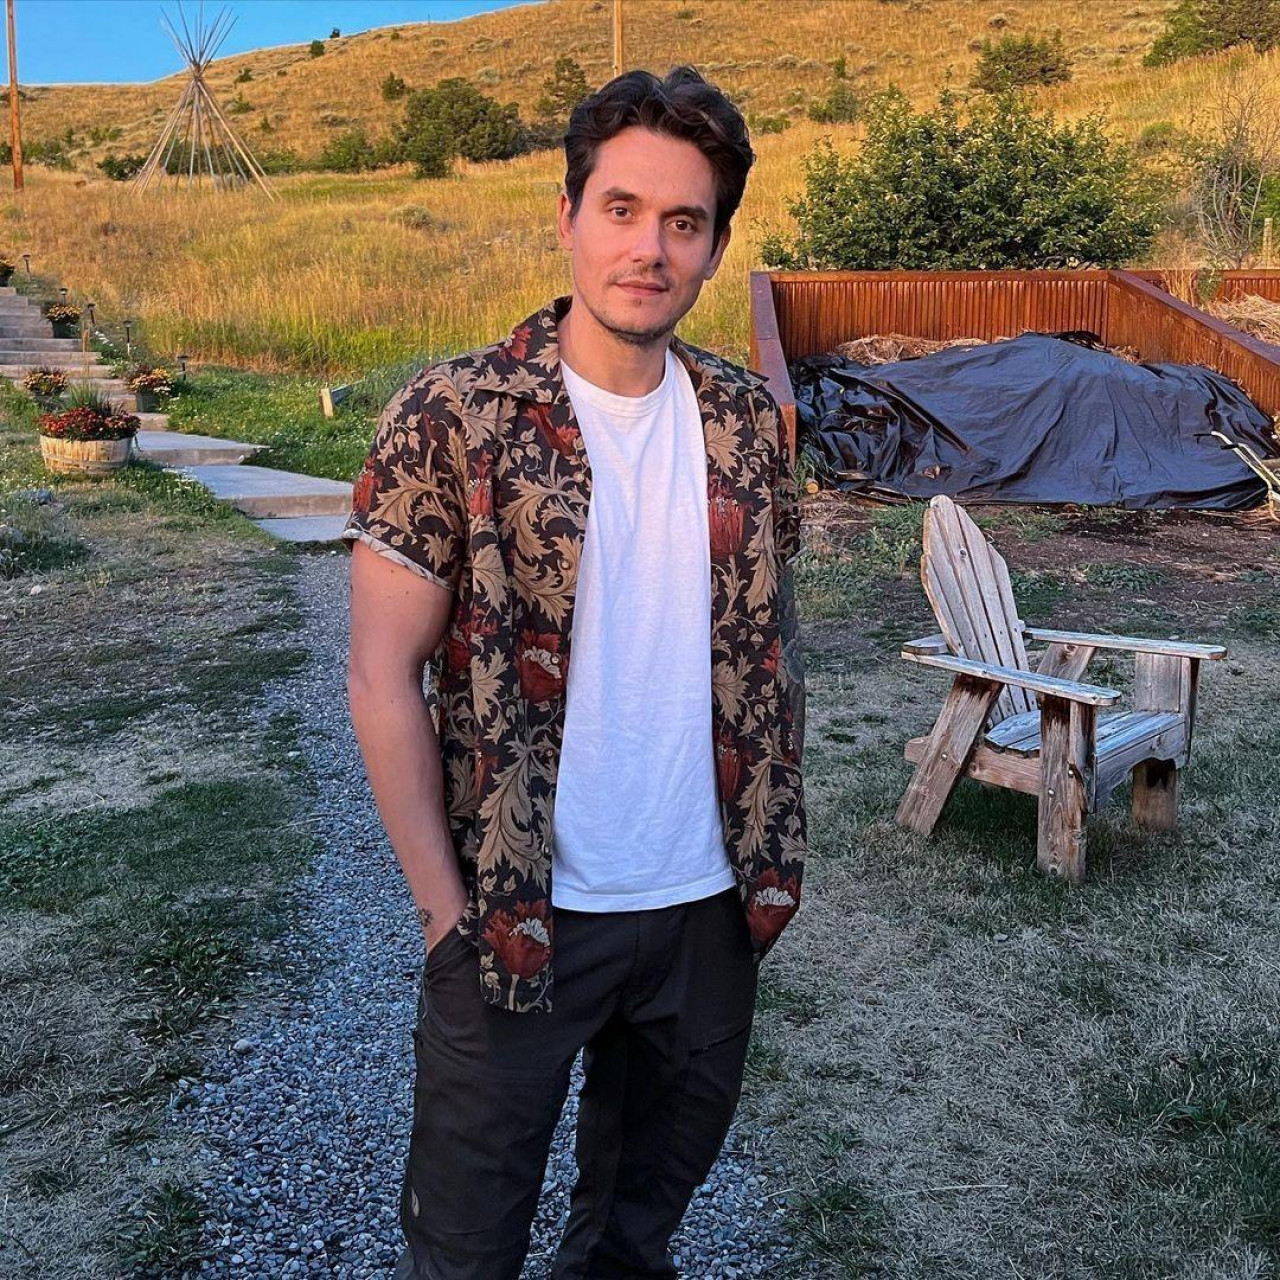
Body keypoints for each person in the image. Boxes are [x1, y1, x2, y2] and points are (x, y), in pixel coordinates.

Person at [342, 64, 807, 1280]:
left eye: (683, 221)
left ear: (713, 247)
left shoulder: (748, 423)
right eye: (621, 208)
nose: (648, 248)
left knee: (632, 1235)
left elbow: (761, 646)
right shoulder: (452, 416)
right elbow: (380, 674)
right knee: (464, 1248)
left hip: (707, 909)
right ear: (566, 215)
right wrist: (443, 915)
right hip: (515, 912)